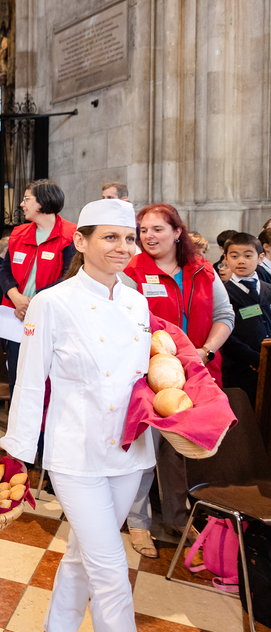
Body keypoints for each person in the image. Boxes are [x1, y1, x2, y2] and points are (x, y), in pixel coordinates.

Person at [0, 198, 153, 632]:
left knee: (83, 553)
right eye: (110, 237)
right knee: (110, 571)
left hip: (129, 452)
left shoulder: (137, 301)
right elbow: (29, 383)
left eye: (129, 238)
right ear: (80, 242)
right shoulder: (51, 302)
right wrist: (18, 455)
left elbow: (143, 380)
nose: (123, 247)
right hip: (75, 452)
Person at [123, 203, 233, 557]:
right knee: (145, 448)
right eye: (143, 230)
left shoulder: (202, 269)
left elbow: (224, 315)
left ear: (177, 232)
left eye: (157, 229)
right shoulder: (131, 272)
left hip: (196, 373)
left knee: (178, 451)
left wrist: (205, 351)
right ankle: (138, 522)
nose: (149, 236)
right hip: (150, 376)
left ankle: (176, 517)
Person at [0, 179, 76, 396]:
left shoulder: (71, 235)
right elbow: (4, 271)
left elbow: (69, 276)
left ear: (42, 201)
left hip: (49, 318)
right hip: (18, 317)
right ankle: (16, 420)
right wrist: (16, 297)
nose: (21, 204)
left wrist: (34, 302)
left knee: (47, 385)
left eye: (26, 199)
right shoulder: (18, 234)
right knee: (17, 381)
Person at [219, 232, 271, 406]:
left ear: (260, 258)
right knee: (245, 412)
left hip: (269, 363)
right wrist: (256, 359)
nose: (241, 261)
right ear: (226, 258)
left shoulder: (268, 289)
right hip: (240, 367)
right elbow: (225, 333)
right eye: (234, 256)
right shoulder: (223, 292)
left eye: (248, 256)